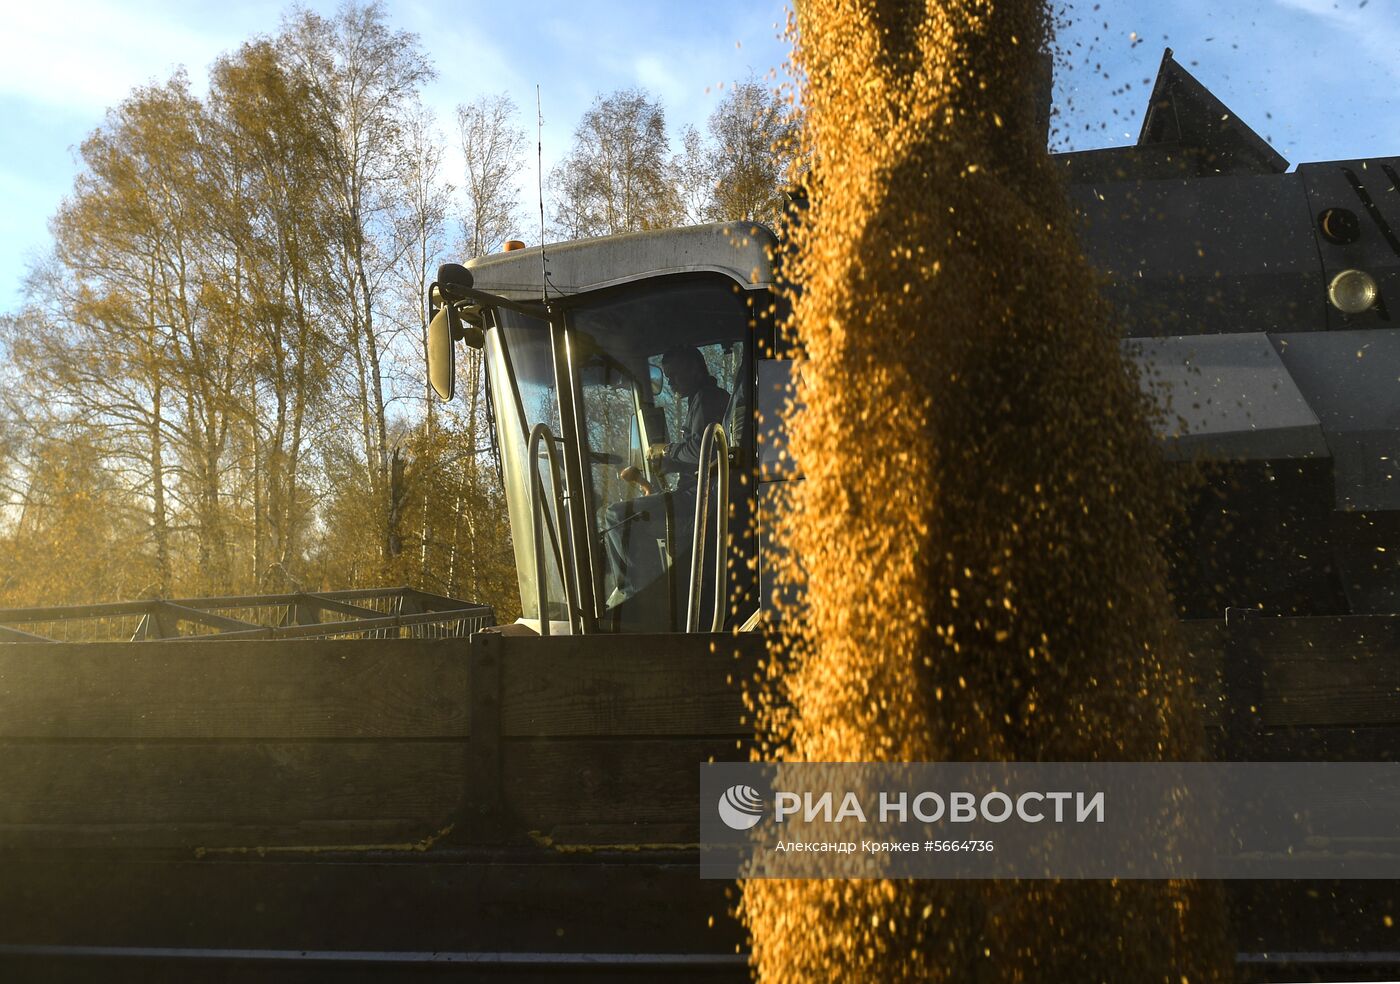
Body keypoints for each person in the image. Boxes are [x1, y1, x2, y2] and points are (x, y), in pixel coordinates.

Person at [603, 346, 729, 608]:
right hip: (698, 496)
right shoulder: (704, 399)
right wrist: (672, 465)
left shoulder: (707, 398)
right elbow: (703, 456)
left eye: (675, 375)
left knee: (617, 517)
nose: (671, 383)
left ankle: (639, 598)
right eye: (668, 377)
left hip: (697, 501)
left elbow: (705, 447)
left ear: (695, 369)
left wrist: (667, 450)